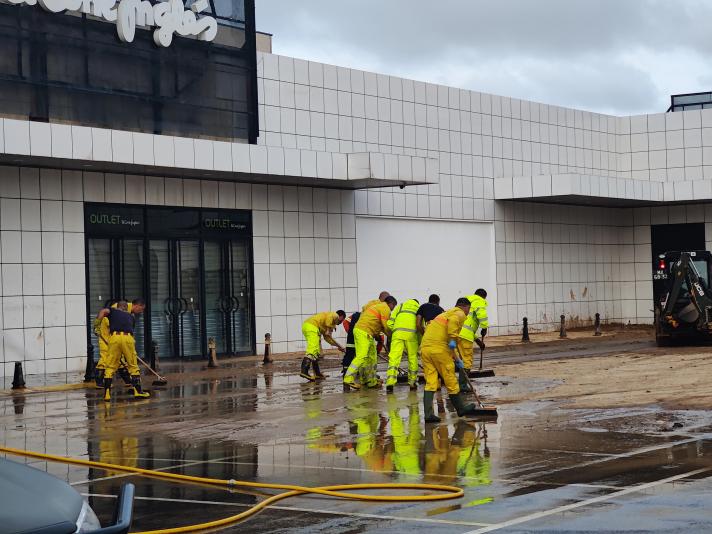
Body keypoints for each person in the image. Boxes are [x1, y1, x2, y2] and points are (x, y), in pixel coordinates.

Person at [421, 297, 481, 423]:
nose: (467, 313)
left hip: (425, 348)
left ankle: (428, 415)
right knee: (450, 379)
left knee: (431, 381)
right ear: (464, 306)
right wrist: (453, 339)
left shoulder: (444, 314)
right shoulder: (458, 313)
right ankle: (461, 409)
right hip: (439, 349)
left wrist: (457, 358)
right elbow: (453, 326)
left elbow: (450, 343)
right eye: (468, 309)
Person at [94, 298, 150, 401]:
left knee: (110, 366)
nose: (141, 312)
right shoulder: (130, 316)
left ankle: (107, 394)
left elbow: (103, 312)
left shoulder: (113, 311)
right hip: (125, 337)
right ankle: (138, 391)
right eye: (141, 309)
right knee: (133, 365)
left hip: (114, 337)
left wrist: (96, 325)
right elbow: (130, 330)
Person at [343, 296, 397, 390]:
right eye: (394, 306)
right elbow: (386, 326)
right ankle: (348, 378)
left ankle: (370, 381)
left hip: (366, 333)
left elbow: (376, 324)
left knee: (371, 357)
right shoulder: (385, 308)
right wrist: (393, 336)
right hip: (364, 332)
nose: (393, 309)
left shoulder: (377, 307)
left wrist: (377, 336)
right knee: (362, 356)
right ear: (391, 303)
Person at [94, 300, 133, 388]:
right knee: (105, 359)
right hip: (106, 339)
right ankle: (99, 381)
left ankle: (127, 380)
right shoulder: (112, 314)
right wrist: (96, 326)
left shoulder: (116, 311)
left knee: (120, 358)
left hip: (114, 339)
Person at [456, 289, 489, 390]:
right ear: (483, 296)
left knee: (457, 359)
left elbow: (467, 326)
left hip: (456, 333)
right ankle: (462, 385)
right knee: (466, 360)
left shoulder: (465, 301)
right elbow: (482, 316)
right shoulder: (479, 301)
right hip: (465, 337)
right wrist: (484, 327)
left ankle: (454, 382)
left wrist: (478, 341)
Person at [385, 298, 420, 392]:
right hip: (411, 336)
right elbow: (420, 325)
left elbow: (390, 323)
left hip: (398, 334)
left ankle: (390, 382)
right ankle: (412, 383)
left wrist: (396, 330)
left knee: (394, 358)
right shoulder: (419, 308)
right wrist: (419, 341)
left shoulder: (400, 306)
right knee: (412, 358)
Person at [300, 310, 347, 381]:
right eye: (341, 320)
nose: (340, 323)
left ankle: (317, 374)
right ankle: (304, 371)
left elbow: (328, 339)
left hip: (310, 327)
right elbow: (332, 316)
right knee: (313, 349)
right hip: (311, 326)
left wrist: (339, 346)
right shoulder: (334, 315)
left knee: (317, 352)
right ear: (341, 316)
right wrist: (328, 329)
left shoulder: (330, 323)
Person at [341, 311, 361, 376]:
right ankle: (346, 369)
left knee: (355, 353)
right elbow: (345, 322)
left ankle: (354, 369)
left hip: (357, 335)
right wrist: (350, 333)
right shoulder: (359, 315)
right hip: (353, 336)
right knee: (351, 353)